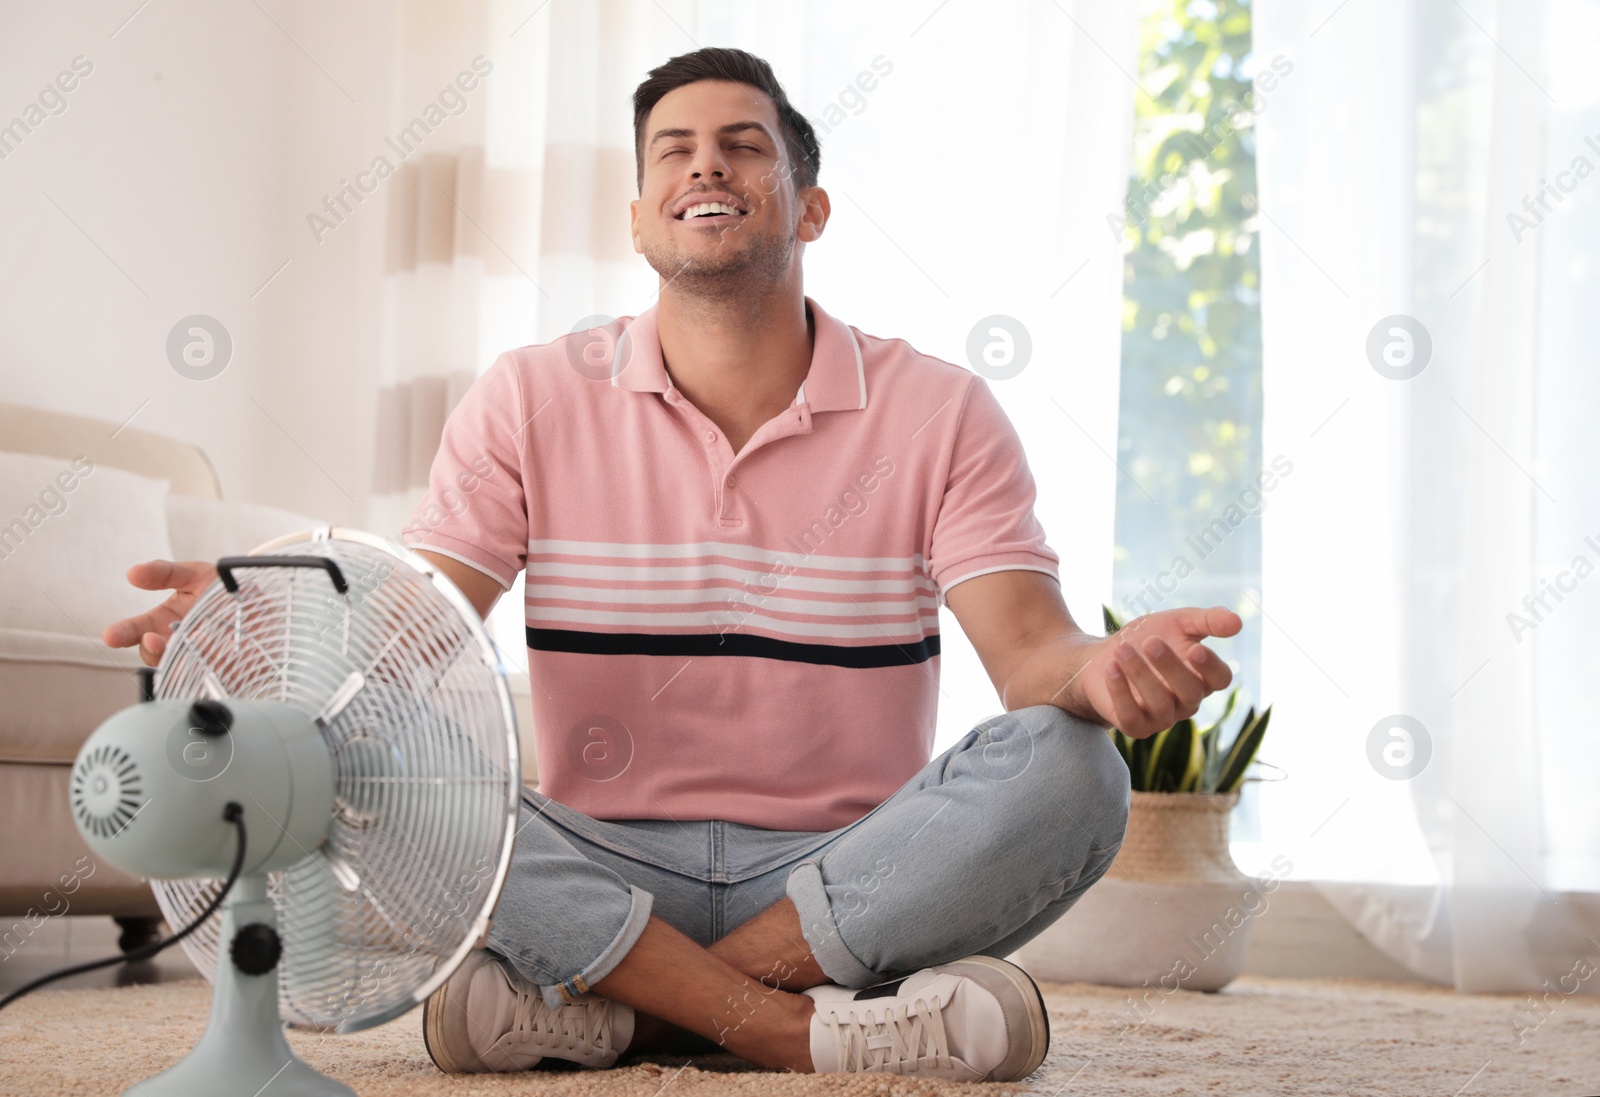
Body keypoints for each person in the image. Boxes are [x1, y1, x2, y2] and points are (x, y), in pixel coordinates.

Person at [105, 46, 1241, 1083]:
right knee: (360, 741)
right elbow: (416, 629)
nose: (708, 165)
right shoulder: (533, 394)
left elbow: (1034, 653)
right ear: (643, 217)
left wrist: (1105, 673)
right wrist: (272, 633)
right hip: (597, 859)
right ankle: (798, 1028)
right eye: (674, 151)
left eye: (745, 145)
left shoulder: (938, 408)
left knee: (1073, 768)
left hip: (847, 871)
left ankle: (618, 1009)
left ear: (812, 207)